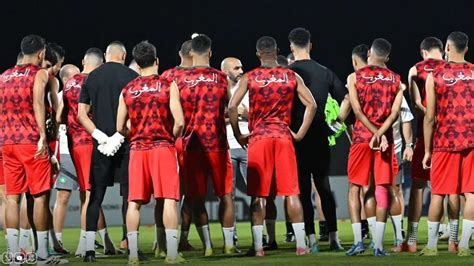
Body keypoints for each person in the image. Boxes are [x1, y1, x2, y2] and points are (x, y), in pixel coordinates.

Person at [229, 36, 317, 256]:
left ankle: (259, 247)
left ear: (258, 54)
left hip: (259, 139)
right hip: (283, 137)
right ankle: (300, 245)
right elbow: (312, 105)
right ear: (277, 51)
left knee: (258, 195)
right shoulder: (290, 75)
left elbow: (232, 106)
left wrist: (239, 134)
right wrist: (299, 134)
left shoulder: (250, 77)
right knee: (291, 193)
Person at [116, 41, 185, 265]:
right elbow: (180, 122)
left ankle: (133, 256)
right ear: (156, 61)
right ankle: (172, 255)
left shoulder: (128, 89)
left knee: (134, 202)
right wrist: (170, 135)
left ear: (137, 63)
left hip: (138, 150)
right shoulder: (168, 84)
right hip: (163, 148)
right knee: (168, 201)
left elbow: (119, 128)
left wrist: (133, 134)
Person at [0, 34, 67, 264]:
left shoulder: (4, 76)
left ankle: (13, 254)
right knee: (39, 197)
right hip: (30, 142)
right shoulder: (38, 73)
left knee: (11, 199)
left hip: (7, 143)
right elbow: (38, 103)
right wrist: (41, 136)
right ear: (41, 53)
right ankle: (42, 254)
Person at [173, 34, 237, 256]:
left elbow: (175, 116)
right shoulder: (221, 78)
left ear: (191, 53)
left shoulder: (179, 80)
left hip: (192, 146)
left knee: (196, 198)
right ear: (210, 52)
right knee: (225, 195)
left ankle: (208, 247)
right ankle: (228, 245)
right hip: (217, 145)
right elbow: (230, 108)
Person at [78, 41, 138, 262]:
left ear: (106, 55)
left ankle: (89, 250)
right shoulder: (132, 76)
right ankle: (131, 247)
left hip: (100, 145)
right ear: (123, 56)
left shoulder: (92, 77)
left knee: (95, 196)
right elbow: (136, 113)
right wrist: (119, 135)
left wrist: (100, 136)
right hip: (126, 143)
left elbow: (81, 114)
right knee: (129, 197)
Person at [287, 27, 346, 252]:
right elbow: (347, 98)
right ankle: (333, 238)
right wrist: (337, 123)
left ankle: (311, 239)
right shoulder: (325, 72)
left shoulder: (288, 73)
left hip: (296, 138)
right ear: (310, 45)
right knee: (323, 187)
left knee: (302, 188)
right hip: (320, 136)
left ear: (291, 47)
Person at [345, 38, 403, 257]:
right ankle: (378, 245)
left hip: (361, 138)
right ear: (386, 57)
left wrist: (372, 133)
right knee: (381, 188)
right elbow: (394, 114)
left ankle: (359, 242)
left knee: (355, 188)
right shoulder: (396, 80)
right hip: (384, 141)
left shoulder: (354, 77)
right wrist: (380, 133)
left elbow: (357, 112)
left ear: (369, 52)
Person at [420, 31, 474, 257]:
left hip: (444, 141)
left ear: (447, 49)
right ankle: (463, 245)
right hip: (471, 140)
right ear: (466, 49)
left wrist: (427, 151)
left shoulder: (436, 74)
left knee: (438, 194)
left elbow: (430, 117)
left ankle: (432, 247)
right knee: (471, 193)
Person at [404, 37, 458, 253]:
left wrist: (429, 114)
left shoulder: (415, 70)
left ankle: (412, 240)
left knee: (418, 186)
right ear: (442, 51)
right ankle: (453, 240)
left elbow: (416, 105)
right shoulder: (451, 69)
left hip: (425, 135)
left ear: (423, 52)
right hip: (449, 135)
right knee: (452, 188)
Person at [156, 40, 196, 255]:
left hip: (173, 139)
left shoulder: (166, 75)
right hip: (190, 140)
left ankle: (163, 243)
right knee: (182, 194)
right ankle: (178, 240)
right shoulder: (206, 76)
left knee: (167, 195)